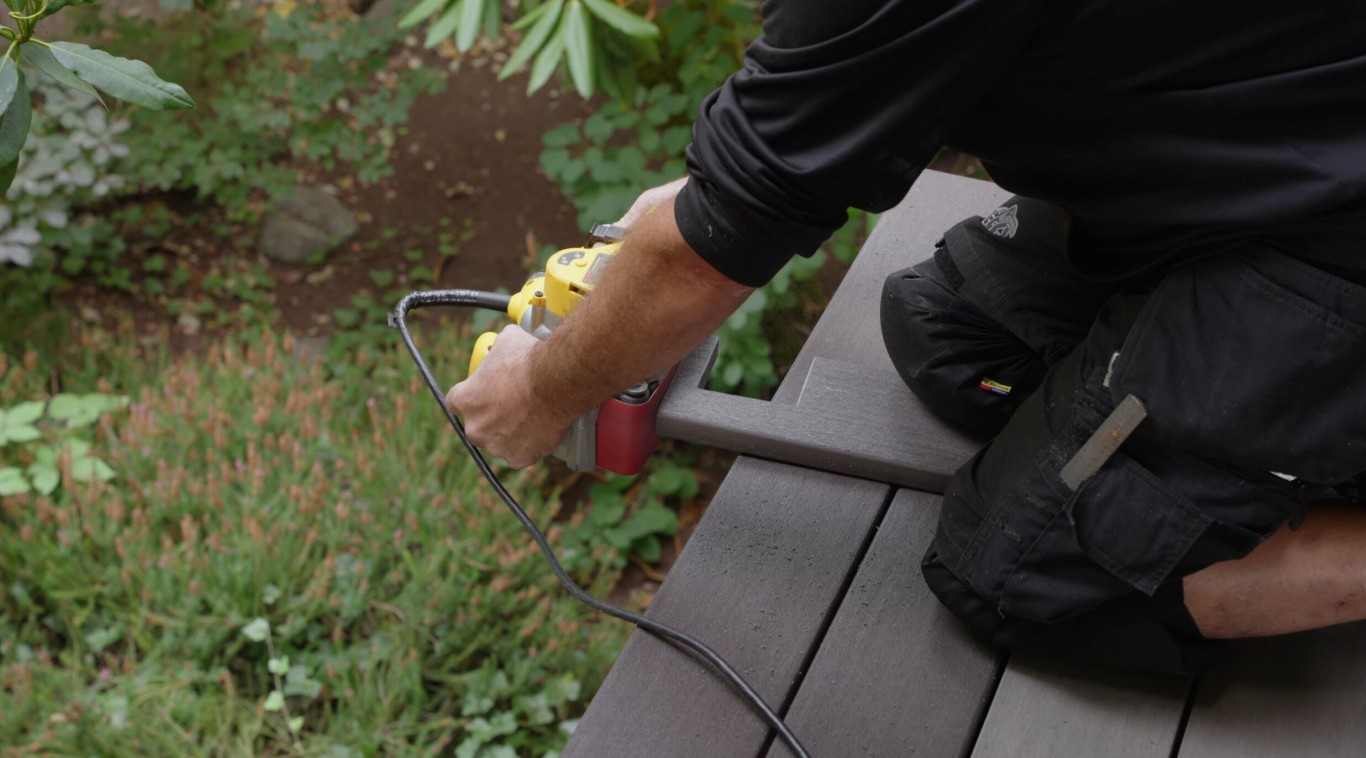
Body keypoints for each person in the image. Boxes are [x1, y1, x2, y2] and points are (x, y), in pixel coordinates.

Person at [446, 1, 1366, 674]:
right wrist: (691, 220)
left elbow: (705, 257)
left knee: (1018, 573)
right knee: (950, 330)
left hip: (1328, 242)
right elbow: (776, 159)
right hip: (1268, 150)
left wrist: (539, 395)